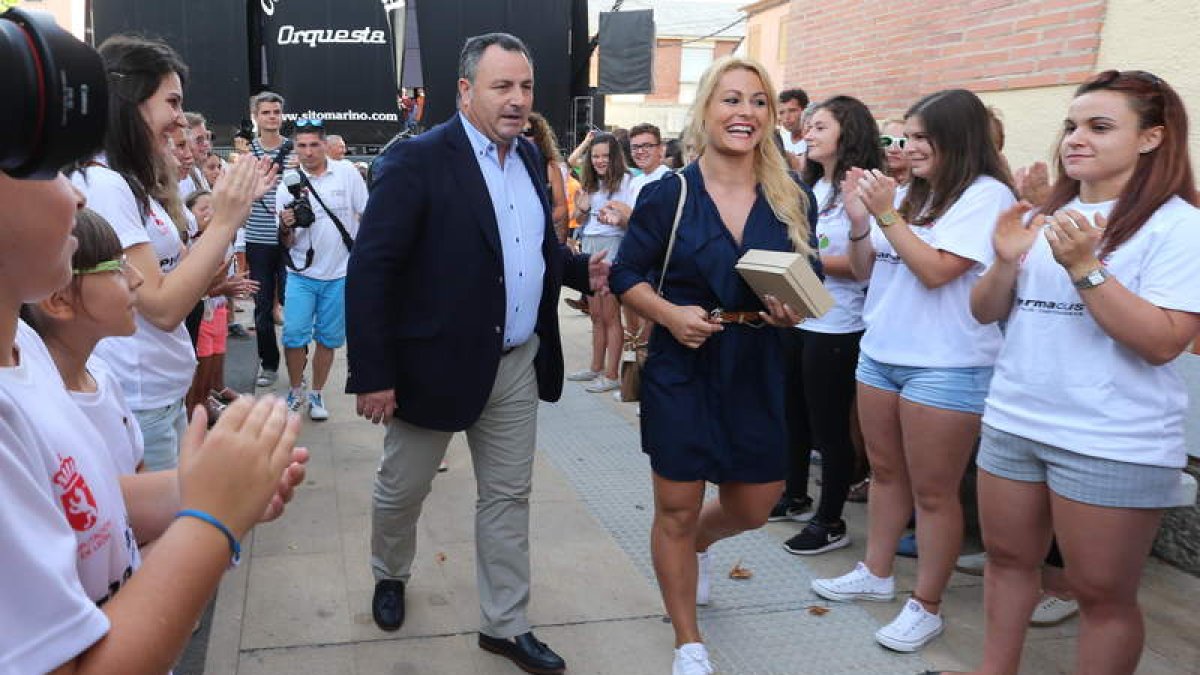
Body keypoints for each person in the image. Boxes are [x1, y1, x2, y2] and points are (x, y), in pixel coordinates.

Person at [0, 15, 306, 671]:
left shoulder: (27, 367)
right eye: (51, 167)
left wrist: (194, 490)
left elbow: (87, 504)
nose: (74, 197)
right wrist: (212, 520)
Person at [345, 33, 607, 675]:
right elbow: (372, 272)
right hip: (430, 368)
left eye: (525, 87)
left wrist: (577, 272)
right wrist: (374, 373)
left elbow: (527, 249)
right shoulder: (417, 161)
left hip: (514, 364)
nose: (518, 100)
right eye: (502, 87)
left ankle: (505, 624)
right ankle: (390, 572)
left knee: (508, 497)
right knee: (401, 492)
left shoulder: (525, 159)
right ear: (465, 91)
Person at [954, 70, 1200, 675]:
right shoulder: (1045, 213)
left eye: (1098, 126)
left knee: (1100, 594)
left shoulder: (1179, 225)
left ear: (1152, 138)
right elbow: (985, 312)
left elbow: (1164, 342)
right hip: (1015, 419)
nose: (1074, 138)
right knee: (1009, 563)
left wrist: (1086, 268)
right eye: (1071, 125)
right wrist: (1007, 262)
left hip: (1111, 439)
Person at [610, 55, 819, 675]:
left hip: (758, 360)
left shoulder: (791, 196)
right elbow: (625, 274)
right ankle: (688, 642)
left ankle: (700, 543)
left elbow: (799, 284)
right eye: (732, 100)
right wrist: (670, 315)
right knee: (675, 506)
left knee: (757, 504)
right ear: (706, 109)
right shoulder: (668, 194)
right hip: (684, 363)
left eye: (758, 102)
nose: (745, 113)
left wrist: (791, 312)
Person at [811, 88, 1016, 653]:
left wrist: (883, 213)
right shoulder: (907, 193)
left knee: (933, 493)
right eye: (904, 136)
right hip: (882, 351)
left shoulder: (985, 196)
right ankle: (875, 574)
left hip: (947, 364)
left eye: (921, 137)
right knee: (884, 474)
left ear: (958, 140)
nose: (908, 147)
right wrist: (859, 222)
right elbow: (862, 268)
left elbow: (935, 271)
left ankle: (925, 604)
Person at [70, 34, 276, 471]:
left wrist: (207, 280)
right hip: (142, 400)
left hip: (160, 397)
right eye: (173, 102)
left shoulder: (127, 181)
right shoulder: (106, 184)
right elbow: (162, 307)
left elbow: (169, 283)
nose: (179, 119)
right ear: (132, 101)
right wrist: (225, 218)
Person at [776, 95, 882, 555]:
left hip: (839, 324)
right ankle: (794, 495)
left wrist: (807, 260)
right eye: (809, 128)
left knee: (830, 428)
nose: (808, 135)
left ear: (848, 133)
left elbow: (865, 266)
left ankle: (830, 518)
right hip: (800, 314)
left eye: (820, 127)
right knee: (793, 416)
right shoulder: (813, 187)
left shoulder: (867, 188)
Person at [275, 119, 368, 420]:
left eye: (314, 144)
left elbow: (366, 215)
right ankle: (296, 389)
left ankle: (316, 393)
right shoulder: (287, 182)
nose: (308, 151)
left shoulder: (347, 174)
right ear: (295, 148)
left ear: (325, 145)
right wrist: (285, 226)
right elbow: (286, 244)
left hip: (340, 275)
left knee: (328, 340)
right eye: (301, 145)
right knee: (293, 337)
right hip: (302, 275)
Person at [566, 132, 632, 393]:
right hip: (589, 247)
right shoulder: (591, 184)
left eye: (605, 155)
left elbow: (631, 220)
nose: (600, 161)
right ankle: (595, 367)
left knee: (610, 315)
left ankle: (612, 373)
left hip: (613, 248)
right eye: (595, 156)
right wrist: (581, 208)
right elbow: (579, 220)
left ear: (615, 157)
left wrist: (616, 216)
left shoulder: (627, 182)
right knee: (594, 314)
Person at [244, 91, 292, 389]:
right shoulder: (247, 156)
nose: (272, 117)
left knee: (294, 304)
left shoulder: (295, 151)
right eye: (266, 112)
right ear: (256, 117)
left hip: (290, 241)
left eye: (276, 111)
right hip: (258, 239)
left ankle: (297, 364)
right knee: (262, 306)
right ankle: (269, 363)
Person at [522, 112, 568, 240]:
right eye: (518, 132)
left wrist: (543, 222)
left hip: (541, 236)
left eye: (528, 132)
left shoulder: (550, 166)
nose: (522, 137)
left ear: (538, 136)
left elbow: (561, 207)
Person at [777, 87, 809, 172]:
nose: (786, 117)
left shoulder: (813, 140)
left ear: (805, 111)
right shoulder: (779, 140)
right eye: (781, 113)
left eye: (792, 110)